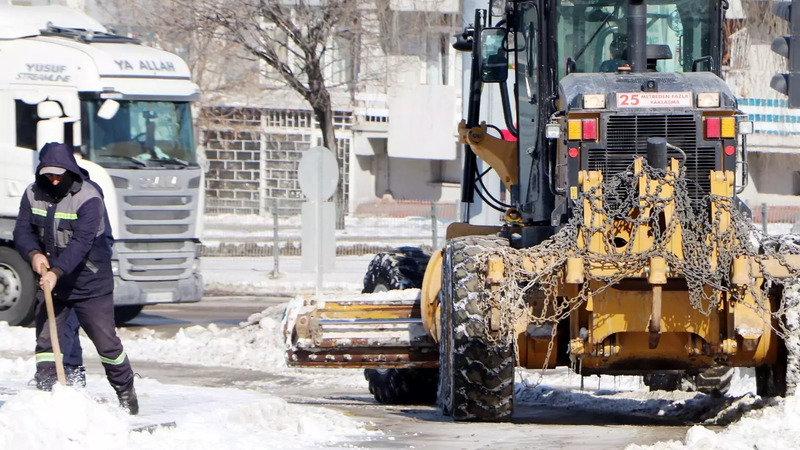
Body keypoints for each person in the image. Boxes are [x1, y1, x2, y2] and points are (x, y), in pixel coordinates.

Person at [13, 142, 138, 415]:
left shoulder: (89, 197)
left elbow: (81, 243)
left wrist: (56, 271)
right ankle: (48, 395)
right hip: (52, 281)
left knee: (106, 343)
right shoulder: (32, 193)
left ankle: (125, 391)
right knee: (47, 341)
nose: (54, 179)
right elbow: (22, 229)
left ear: (70, 169)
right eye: (48, 174)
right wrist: (34, 254)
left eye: (59, 173)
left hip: (90, 281)